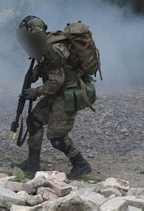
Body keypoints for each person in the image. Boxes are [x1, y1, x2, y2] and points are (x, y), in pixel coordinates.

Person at [15, 15, 92, 179]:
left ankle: (81, 164)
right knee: (34, 121)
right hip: (57, 94)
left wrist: (36, 92)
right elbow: (51, 70)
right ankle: (32, 163)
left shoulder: (51, 50)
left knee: (57, 137)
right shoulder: (45, 46)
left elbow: (56, 81)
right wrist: (37, 72)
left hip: (66, 95)